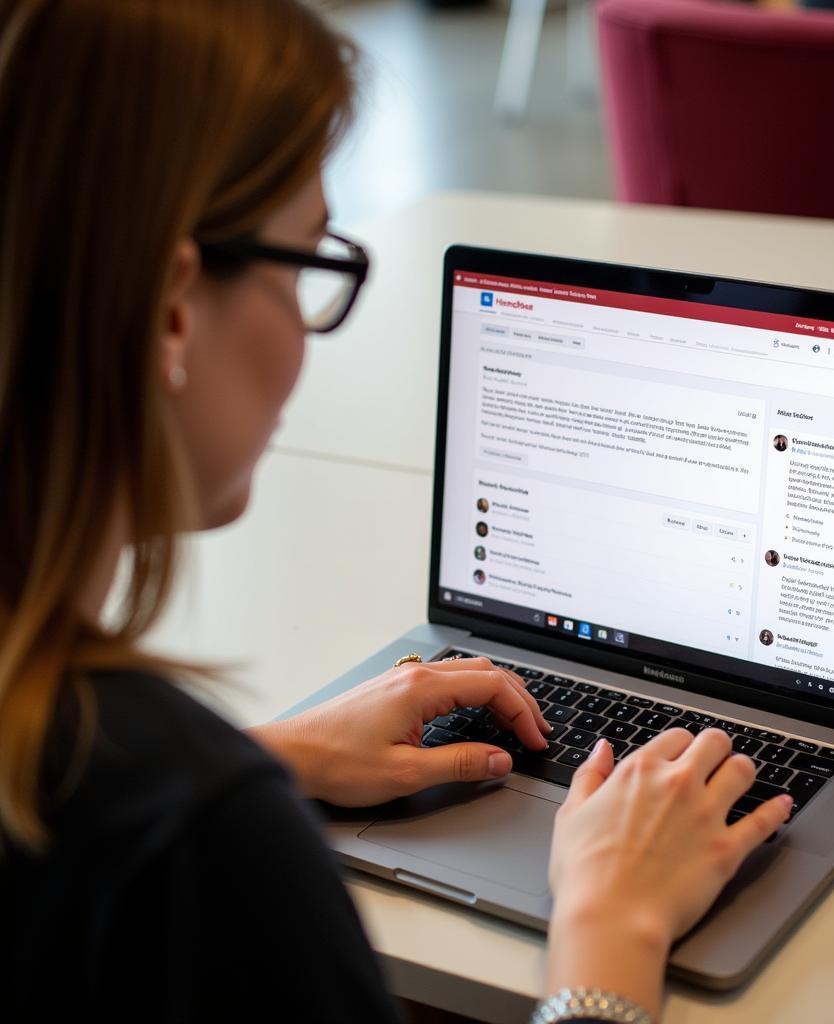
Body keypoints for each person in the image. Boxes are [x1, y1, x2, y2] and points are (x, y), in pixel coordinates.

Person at [0, 2, 791, 1021]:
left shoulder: (121, 774)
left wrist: (268, 752)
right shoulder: (207, 855)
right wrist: (609, 926)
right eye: (308, 264)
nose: (304, 332)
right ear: (171, 309)